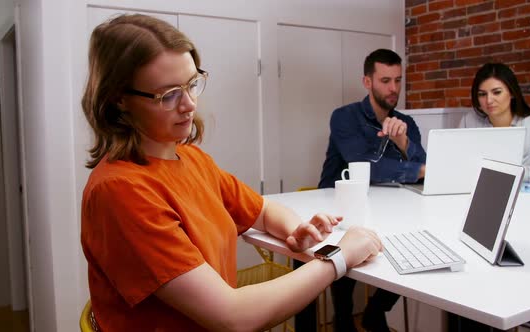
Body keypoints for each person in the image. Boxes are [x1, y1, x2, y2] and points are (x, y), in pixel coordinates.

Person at [80, 14, 384, 332]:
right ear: (119, 100)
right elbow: (232, 317)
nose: (189, 104)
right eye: (168, 95)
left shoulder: (192, 159)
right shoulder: (121, 191)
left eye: (191, 84)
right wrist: (339, 258)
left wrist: (298, 231)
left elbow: (263, 211)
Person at [296, 49, 427, 332]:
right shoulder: (344, 117)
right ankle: (342, 321)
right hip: (334, 206)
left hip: (385, 208)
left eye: (398, 80)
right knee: (324, 253)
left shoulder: (407, 123)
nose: (393, 89)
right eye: (385, 80)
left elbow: (425, 168)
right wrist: (415, 169)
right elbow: (365, 167)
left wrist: (403, 141)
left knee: (416, 246)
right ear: (367, 82)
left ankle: (376, 310)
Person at [465, 62, 530, 183]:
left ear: (512, 93)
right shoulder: (469, 121)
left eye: (497, 92)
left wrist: (519, 173)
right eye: (482, 94)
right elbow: (456, 166)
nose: (489, 100)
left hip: (524, 196)